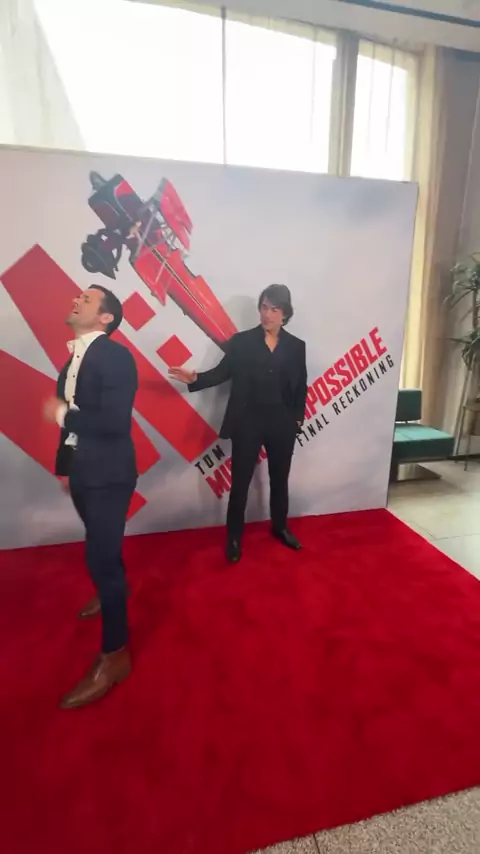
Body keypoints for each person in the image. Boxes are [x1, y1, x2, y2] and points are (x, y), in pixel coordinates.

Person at [43, 285, 138, 709]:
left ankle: (115, 656)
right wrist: (65, 467)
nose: (76, 300)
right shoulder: (72, 361)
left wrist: (61, 413)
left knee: (100, 558)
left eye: (86, 298)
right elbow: (73, 429)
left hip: (109, 474)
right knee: (101, 551)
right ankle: (113, 586)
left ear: (106, 317)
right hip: (83, 471)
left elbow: (114, 423)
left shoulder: (116, 356)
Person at [169, 284, 307, 563]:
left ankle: (280, 527)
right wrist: (195, 379)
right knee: (240, 482)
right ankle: (233, 536)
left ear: (285, 314)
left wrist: (296, 419)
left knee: (280, 479)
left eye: (274, 309)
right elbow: (221, 373)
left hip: (282, 424)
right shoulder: (241, 342)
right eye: (264, 307)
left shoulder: (296, 346)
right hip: (248, 422)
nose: (267, 314)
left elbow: (300, 385)